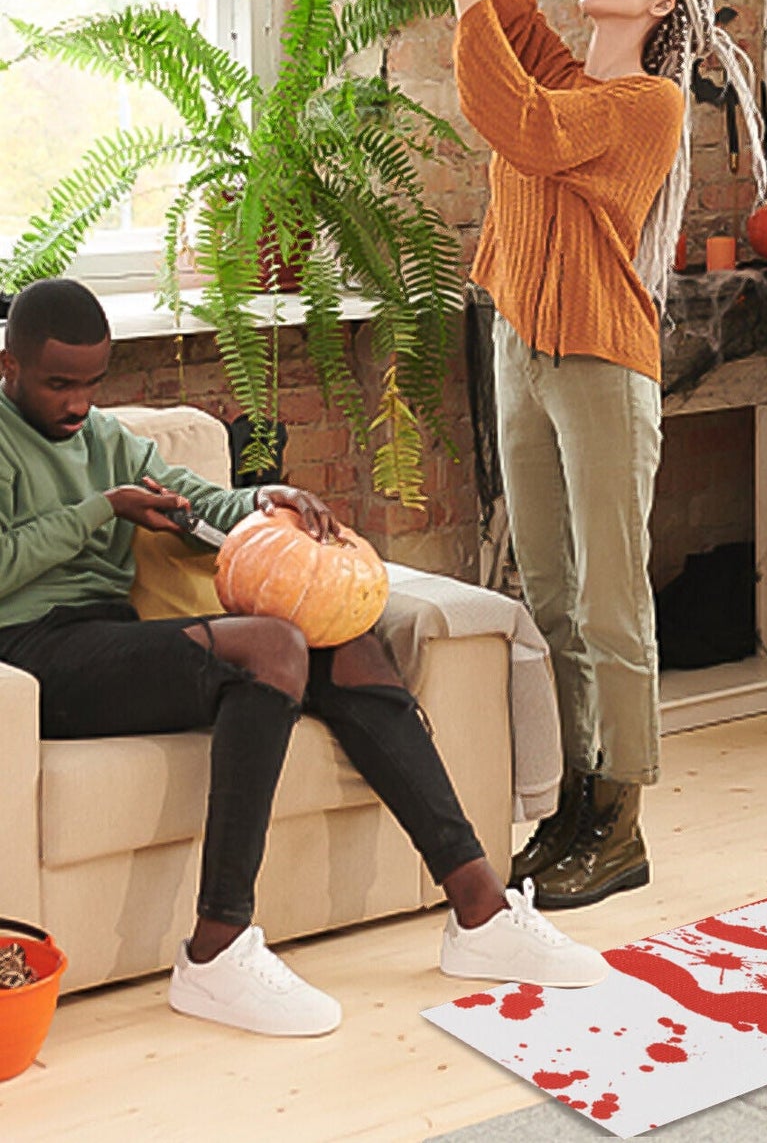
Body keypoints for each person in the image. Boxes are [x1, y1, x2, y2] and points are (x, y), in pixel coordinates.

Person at [0, 278, 608, 1036]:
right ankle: (216, 947)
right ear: (9, 366)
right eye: (60, 384)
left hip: (114, 639)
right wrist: (103, 509)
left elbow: (197, 498)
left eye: (92, 384)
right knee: (269, 646)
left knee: (338, 633)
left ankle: (480, 910)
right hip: (33, 659)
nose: (78, 404)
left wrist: (267, 498)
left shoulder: (105, 438)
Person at [411, 0, 767, 910]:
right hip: (522, 342)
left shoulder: (648, 107)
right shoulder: (576, 71)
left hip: (603, 366)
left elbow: (517, 117)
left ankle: (623, 819)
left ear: (664, 6)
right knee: (550, 591)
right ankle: (572, 798)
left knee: (612, 599)